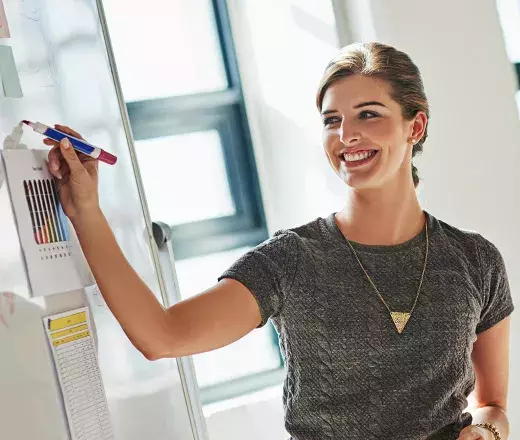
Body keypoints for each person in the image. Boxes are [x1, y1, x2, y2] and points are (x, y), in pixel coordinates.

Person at [46, 42, 513, 440]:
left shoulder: (475, 260)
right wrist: (85, 211)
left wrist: (488, 431)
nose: (346, 135)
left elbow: (492, 403)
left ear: (415, 127)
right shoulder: (291, 261)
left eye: (368, 115)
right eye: (332, 120)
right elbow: (161, 336)